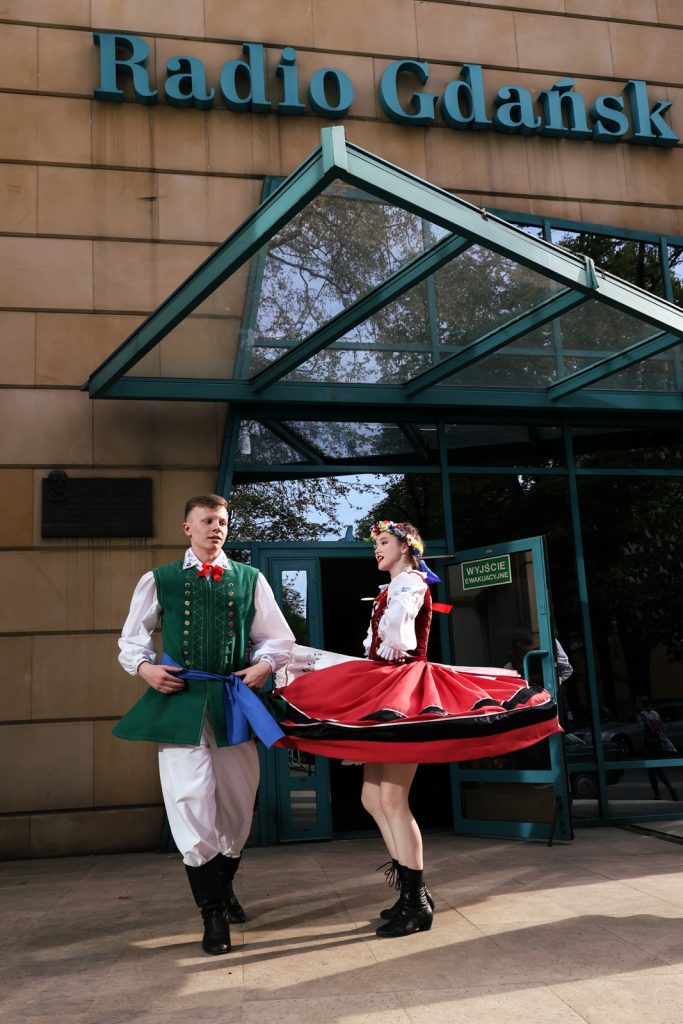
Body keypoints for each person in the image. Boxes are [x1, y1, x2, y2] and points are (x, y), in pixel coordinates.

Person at [274, 520, 562, 939]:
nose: (377, 549)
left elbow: (399, 640)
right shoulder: (395, 587)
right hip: (386, 684)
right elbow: (378, 646)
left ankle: (416, 902)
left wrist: (392, 615)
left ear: (407, 548)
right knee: (372, 797)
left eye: (384, 542)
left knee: (392, 798)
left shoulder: (409, 583)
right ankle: (413, 891)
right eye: (376, 543)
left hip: (405, 691)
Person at [116, 494, 294, 956]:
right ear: (187, 528)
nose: (217, 527)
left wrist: (264, 665)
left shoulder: (250, 579)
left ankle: (224, 883)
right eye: (208, 520)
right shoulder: (160, 579)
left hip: (233, 699)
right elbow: (132, 638)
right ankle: (212, 912)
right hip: (181, 701)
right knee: (190, 799)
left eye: (223, 521)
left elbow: (277, 638)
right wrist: (145, 669)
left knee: (238, 806)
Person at [635, 696, 678, 801]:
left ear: (641, 704)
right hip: (657, 744)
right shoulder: (655, 713)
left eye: (638, 702)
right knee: (658, 769)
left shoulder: (640, 715)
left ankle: (658, 794)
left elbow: (642, 730)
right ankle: (669, 789)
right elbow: (662, 728)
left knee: (651, 771)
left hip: (648, 745)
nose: (636, 704)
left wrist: (641, 745)